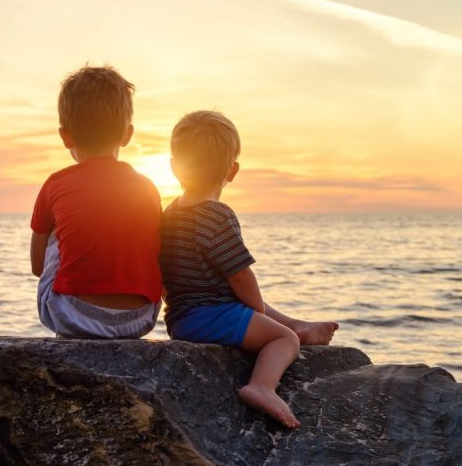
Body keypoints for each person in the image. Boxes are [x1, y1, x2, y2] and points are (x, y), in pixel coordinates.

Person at [160, 110, 338, 429]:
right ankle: (262, 386)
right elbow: (240, 275)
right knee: (283, 340)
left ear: (174, 166)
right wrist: (259, 312)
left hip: (181, 318)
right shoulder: (217, 215)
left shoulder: (169, 213)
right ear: (233, 170)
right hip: (210, 317)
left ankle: (301, 325)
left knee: (253, 310)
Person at [30, 65, 162, 339]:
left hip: (74, 316)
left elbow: (37, 265)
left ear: (65, 136)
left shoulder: (55, 184)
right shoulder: (148, 188)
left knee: (57, 233)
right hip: (140, 319)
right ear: (127, 134)